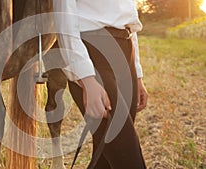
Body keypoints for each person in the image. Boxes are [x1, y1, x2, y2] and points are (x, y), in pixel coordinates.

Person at [53, 0, 148, 168]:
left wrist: (137, 73)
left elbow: (129, 19)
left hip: (126, 50)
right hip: (94, 53)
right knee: (129, 160)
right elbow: (64, 22)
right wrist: (87, 79)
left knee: (106, 160)